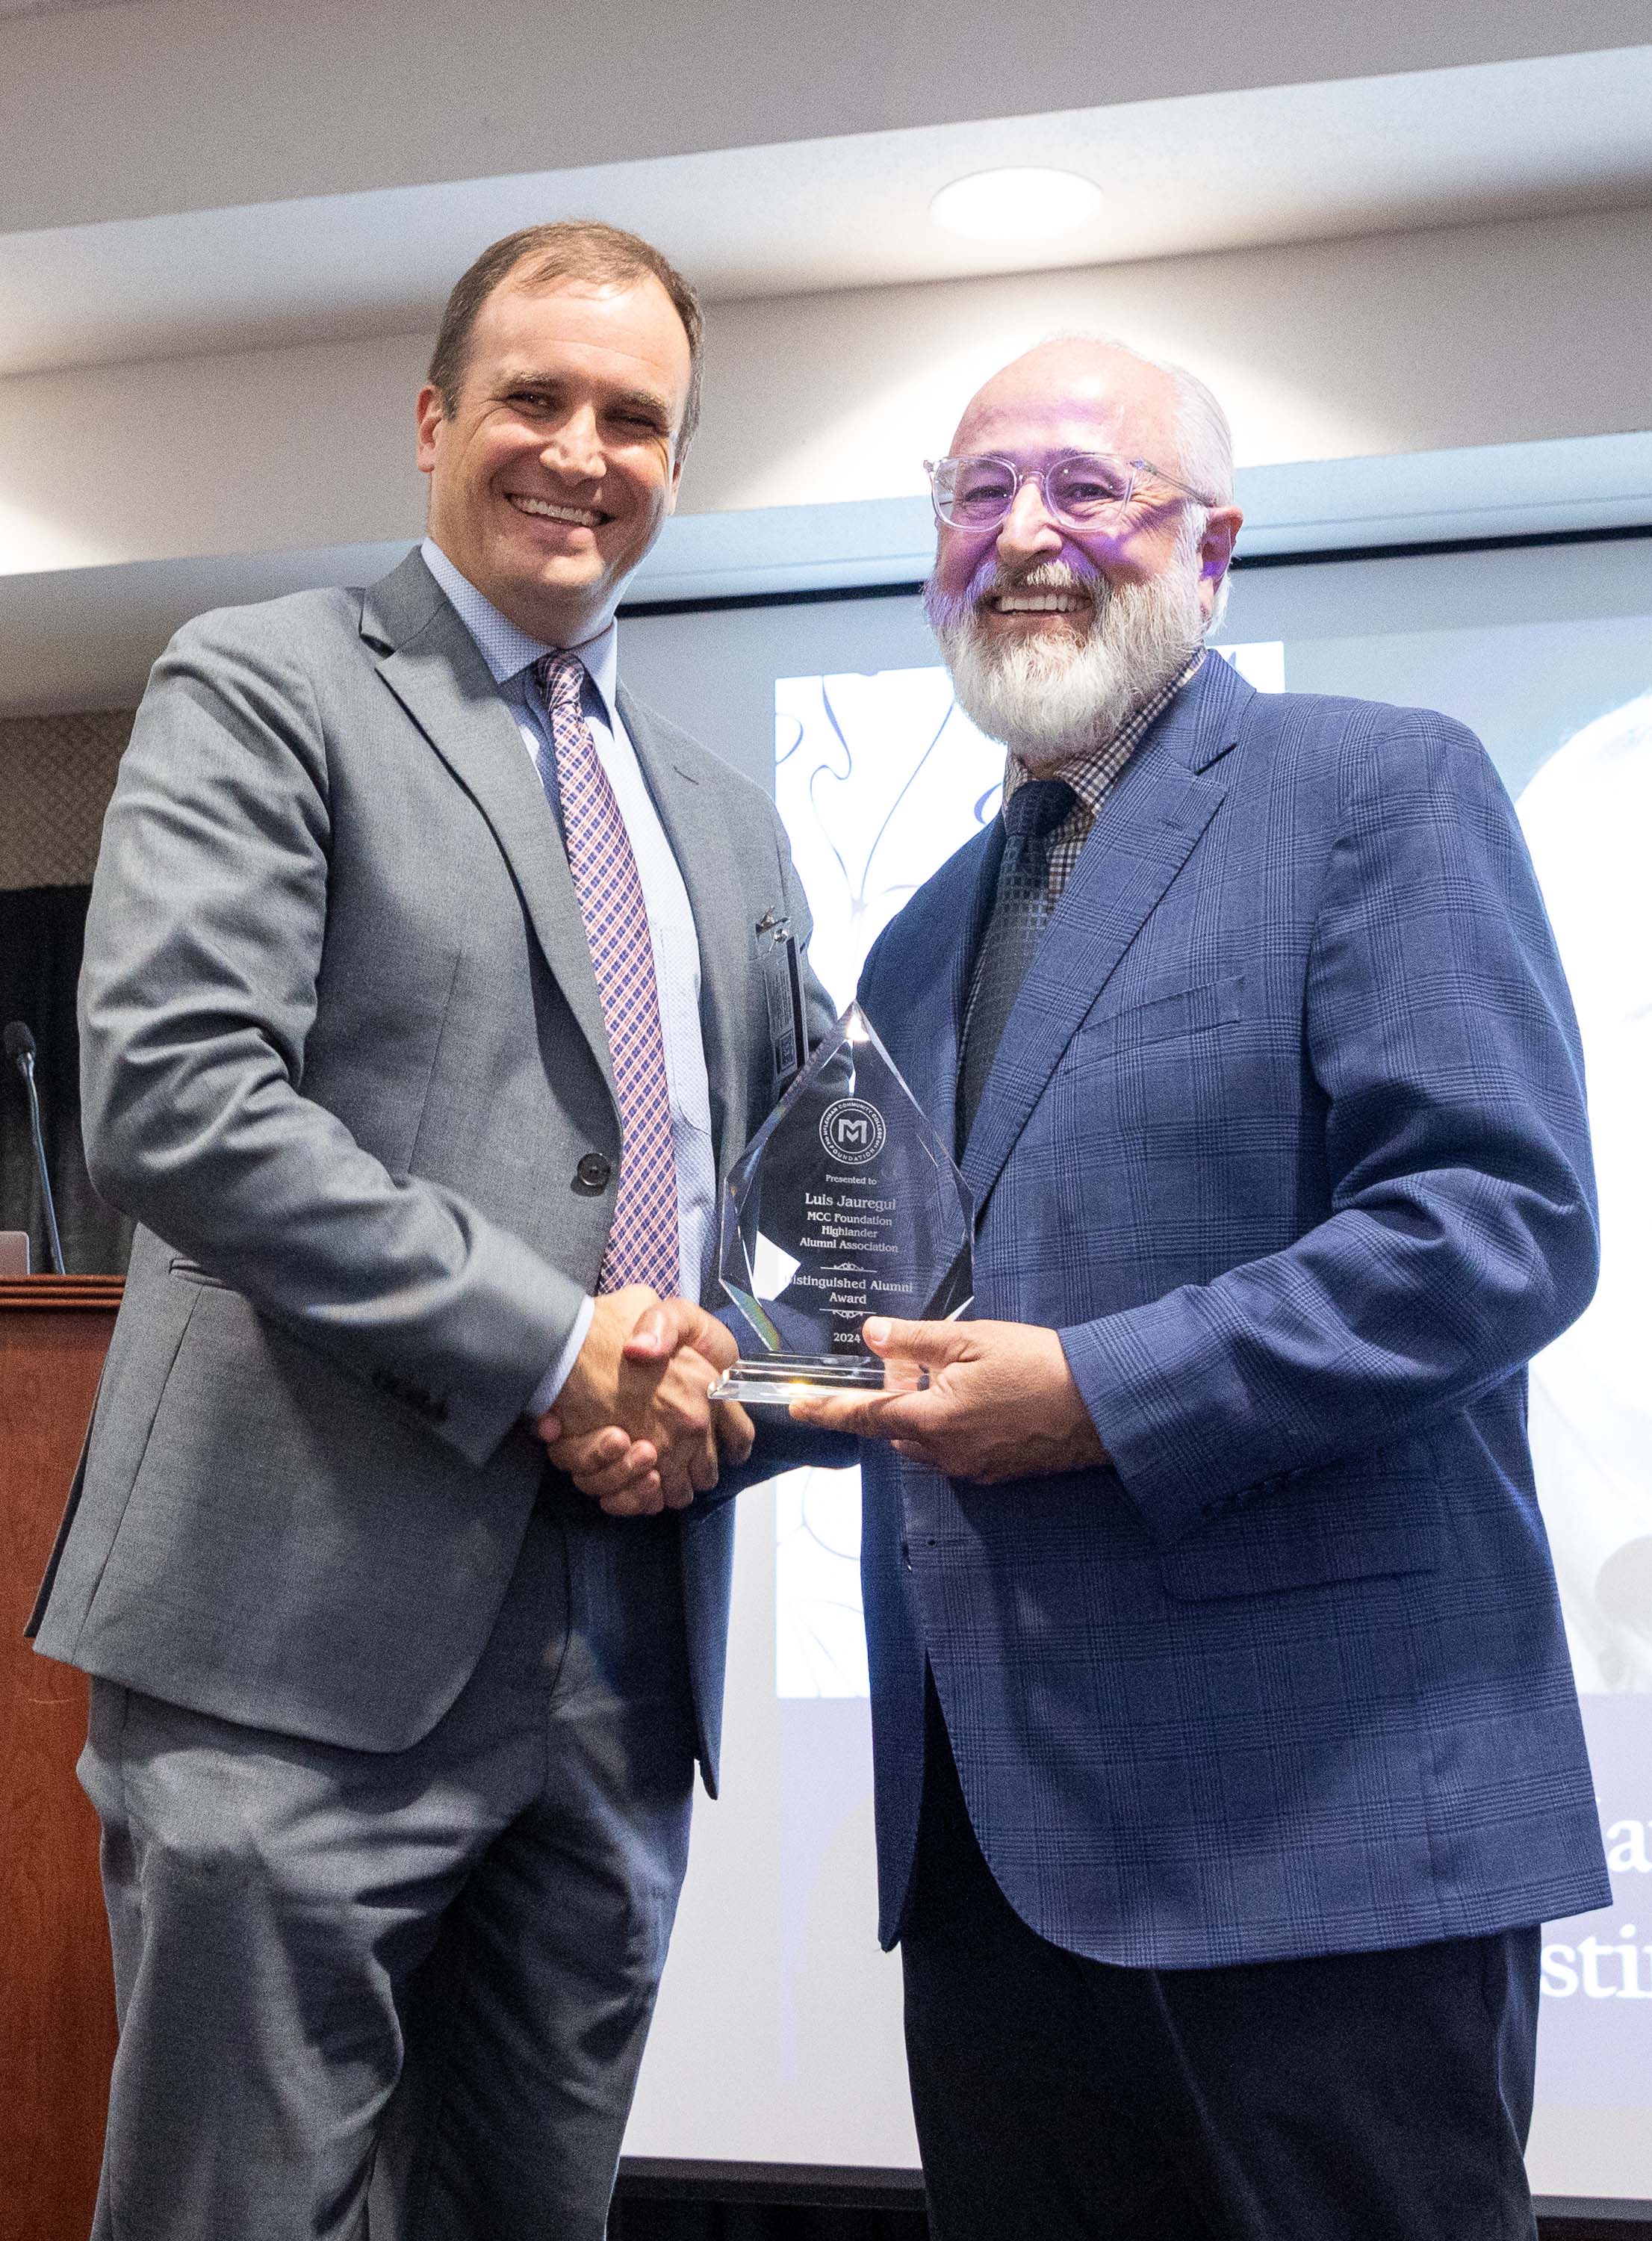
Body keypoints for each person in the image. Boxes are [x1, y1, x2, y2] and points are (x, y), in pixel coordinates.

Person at [555, 336, 1612, 2239]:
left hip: (1314, 1834)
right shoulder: (922, 928)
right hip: (988, 1843)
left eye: (1083, 489)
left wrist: (1100, 1391)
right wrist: (698, 1403)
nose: (1022, 536)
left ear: (1209, 549)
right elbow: (869, 1320)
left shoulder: (1371, 787)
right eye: (974, 497)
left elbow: (1495, 1221)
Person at [28, 220, 837, 2241]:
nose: (581, 449)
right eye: (534, 398)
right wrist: (566, 1348)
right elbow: (180, 1105)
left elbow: (770, 1196)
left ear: (677, 460)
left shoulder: (724, 816)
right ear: (430, 421)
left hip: (621, 1657)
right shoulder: (268, 683)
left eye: (634, 417)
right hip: (293, 1644)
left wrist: (726, 1369)